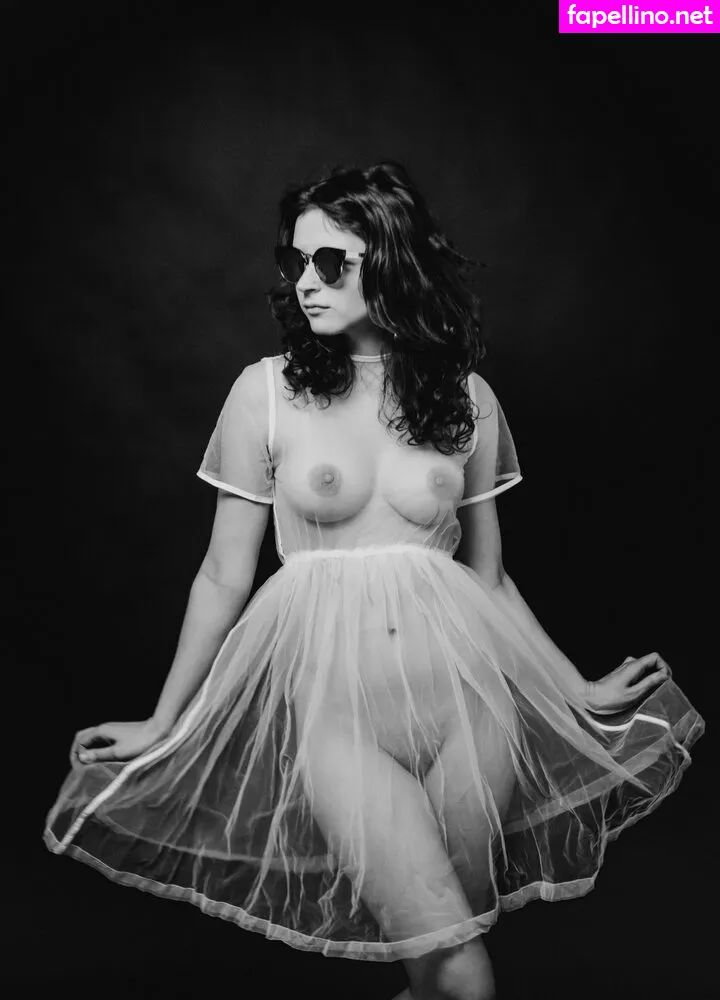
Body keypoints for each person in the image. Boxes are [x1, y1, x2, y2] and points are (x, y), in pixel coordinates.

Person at [44, 161, 704, 1000]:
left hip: (471, 708)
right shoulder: (265, 393)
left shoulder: (466, 397)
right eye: (295, 261)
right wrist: (164, 719)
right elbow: (221, 574)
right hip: (342, 722)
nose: (305, 282)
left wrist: (577, 690)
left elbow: (488, 576)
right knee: (462, 975)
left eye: (330, 262)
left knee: (444, 958)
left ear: (391, 262)